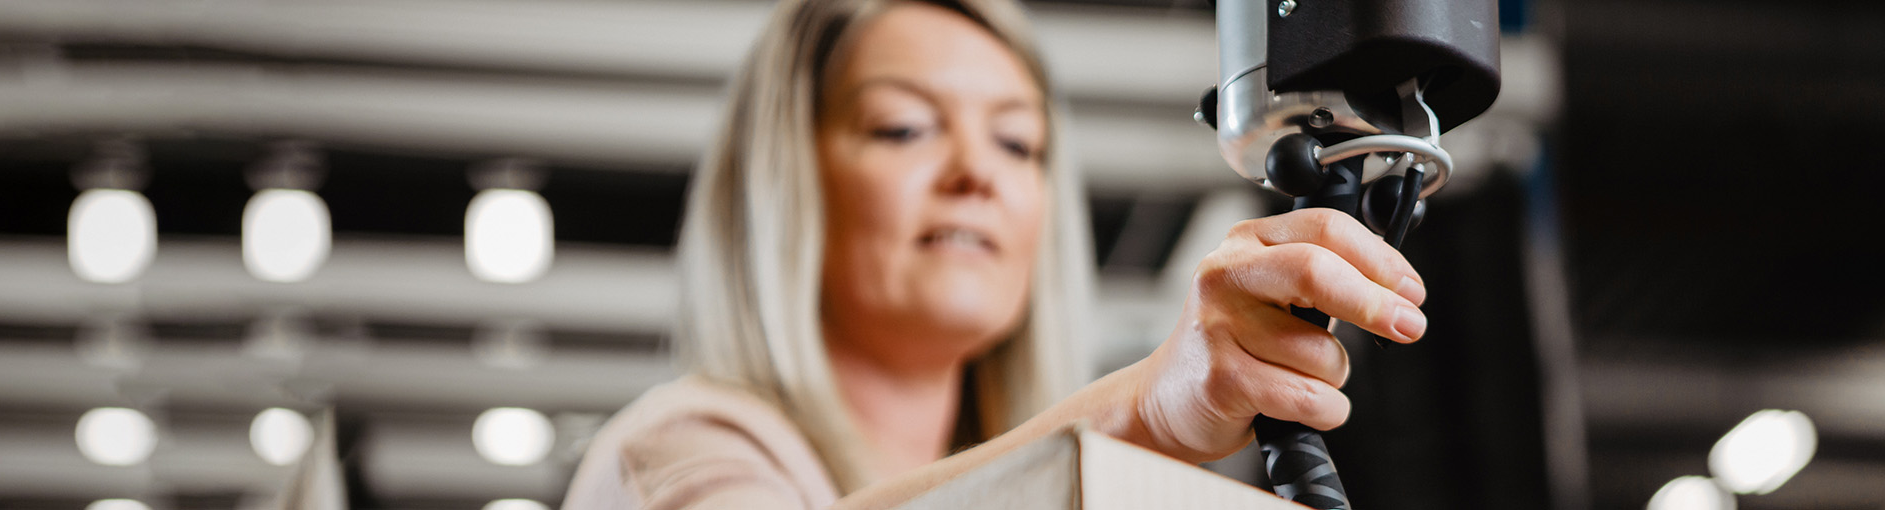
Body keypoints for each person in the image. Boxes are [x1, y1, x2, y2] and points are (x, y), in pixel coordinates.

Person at [560, 0, 1427, 508]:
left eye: (1017, 144)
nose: (977, 172)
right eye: (903, 127)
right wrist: (1140, 416)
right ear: (785, 183)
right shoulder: (673, 454)